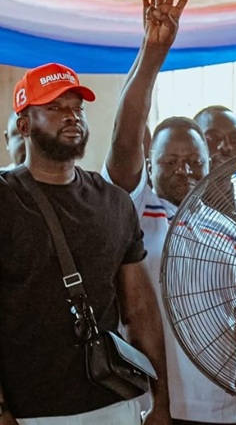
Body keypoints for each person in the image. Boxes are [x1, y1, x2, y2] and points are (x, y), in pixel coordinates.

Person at [103, 0, 236, 425]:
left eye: (194, 162)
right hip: (156, 409)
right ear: (150, 165)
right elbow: (126, 136)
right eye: (170, 161)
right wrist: (152, 55)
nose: (184, 170)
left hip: (223, 408)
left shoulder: (228, 231)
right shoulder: (135, 209)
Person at [0, 62, 171, 424]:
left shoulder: (114, 202)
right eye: (54, 107)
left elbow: (140, 310)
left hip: (115, 402)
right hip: (32, 413)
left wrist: (161, 403)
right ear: (24, 126)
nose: (71, 116)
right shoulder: (5, 199)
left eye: (77, 108)